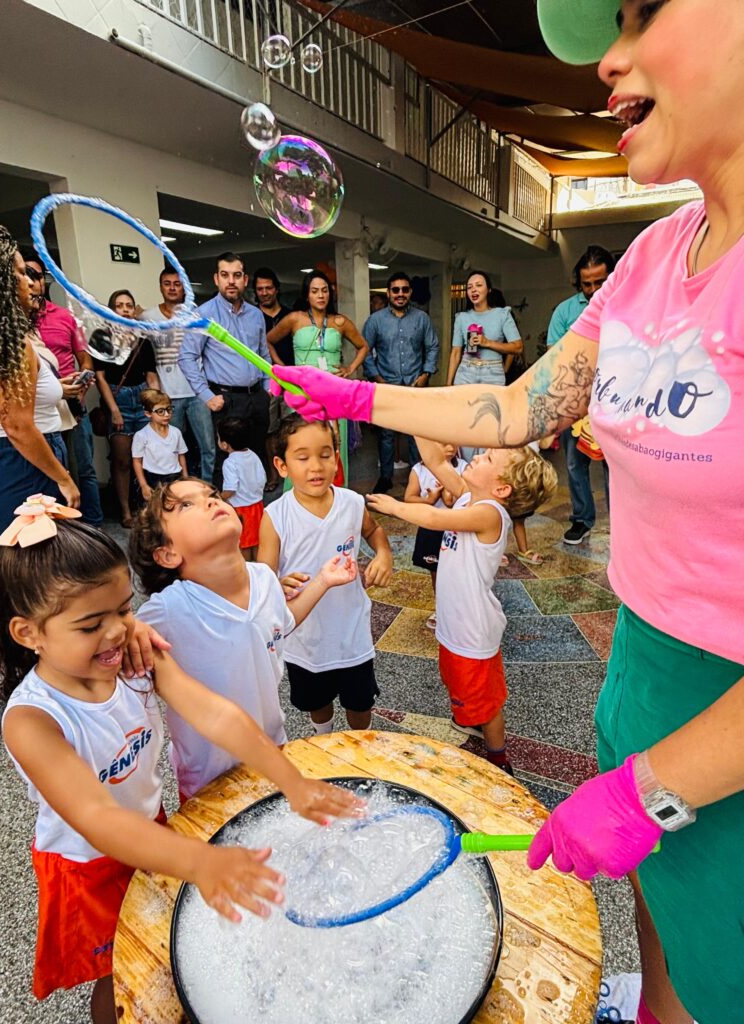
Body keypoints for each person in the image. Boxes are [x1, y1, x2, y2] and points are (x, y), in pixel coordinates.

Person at [269, 2, 744, 1019]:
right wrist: (357, 398)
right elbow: (526, 405)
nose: (609, 59)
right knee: (662, 923)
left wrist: (651, 788)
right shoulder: (657, 254)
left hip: (728, 713)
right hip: (643, 663)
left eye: (645, 12)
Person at [0, 505, 361, 1022]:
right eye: (91, 625)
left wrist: (292, 783)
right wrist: (202, 863)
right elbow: (97, 818)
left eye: (124, 610)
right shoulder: (33, 720)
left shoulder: (136, 658)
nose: (116, 632)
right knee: (118, 971)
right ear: (28, 634)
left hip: (150, 827)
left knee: (159, 942)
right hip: (85, 866)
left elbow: (216, 713)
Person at [129, 477, 359, 802]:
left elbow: (281, 623)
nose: (211, 500)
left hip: (273, 755)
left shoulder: (264, 577)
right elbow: (113, 646)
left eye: (211, 494)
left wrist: (322, 581)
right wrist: (127, 626)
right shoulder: (169, 609)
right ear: (167, 554)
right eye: (186, 505)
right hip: (209, 780)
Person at [370, 441, 557, 773]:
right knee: (457, 681)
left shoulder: (491, 514)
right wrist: (415, 416)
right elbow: (432, 459)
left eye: (488, 458)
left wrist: (394, 506)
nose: (477, 456)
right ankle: (469, 719)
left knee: (487, 701)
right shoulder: (469, 496)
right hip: (454, 621)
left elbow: (432, 516)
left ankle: (499, 758)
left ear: (502, 488)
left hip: (473, 629)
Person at [258, 417, 393, 735]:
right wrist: (276, 584)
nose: (315, 466)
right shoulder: (275, 516)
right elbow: (264, 577)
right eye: (302, 457)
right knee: (316, 700)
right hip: (305, 638)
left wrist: (384, 554)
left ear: (337, 458)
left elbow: (373, 530)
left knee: (360, 702)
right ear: (282, 466)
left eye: (324, 454)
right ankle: (324, 738)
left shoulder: (352, 503)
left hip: (351, 630)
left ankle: (362, 743)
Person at [0, 224, 79, 537]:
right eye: (22, 273)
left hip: (3, 456)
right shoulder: (9, 344)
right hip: (23, 463)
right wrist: (63, 478)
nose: (31, 282)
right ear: (3, 284)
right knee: (41, 561)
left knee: (28, 560)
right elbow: (17, 426)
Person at [23, 252, 104, 527]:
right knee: (51, 472)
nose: (31, 282)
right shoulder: (14, 324)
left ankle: (93, 526)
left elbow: (85, 358)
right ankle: (63, 531)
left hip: (71, 403)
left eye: (36, 276)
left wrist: (83, 381)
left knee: (84, 467)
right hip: (36, 409)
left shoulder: (66, 317)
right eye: (24, 275)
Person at [266, 271, 369, 487]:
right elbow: (269, 340)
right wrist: (283, 369)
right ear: (307, 294)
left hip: (333, 393)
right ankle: (298, 496)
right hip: (302, 393)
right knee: (302, 444)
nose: (320, 295)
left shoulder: (340, 322)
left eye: (324, 290)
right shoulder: (295, 319)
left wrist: (350, 368)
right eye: (315, 291)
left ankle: (336, 494)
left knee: (333, 444)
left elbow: (363, 346)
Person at [178, 253, 271, 483]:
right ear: (216, 279)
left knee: (257, 460)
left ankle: (257, 506)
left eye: (237, 275)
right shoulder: (203, 315)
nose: (231, 281)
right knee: (226, 465)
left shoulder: (256, 315)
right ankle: (225, 507)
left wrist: (268, 388)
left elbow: (263, 354)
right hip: (226, 401)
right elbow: (186, 357)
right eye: (225, 275)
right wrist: (206, 395)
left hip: (257, 398)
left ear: (245, 280)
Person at [547, 245, 615, 545]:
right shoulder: (565, 311)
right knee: (575, 463)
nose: (594, 289)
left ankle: (621, 523)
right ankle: (582, 519)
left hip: (615, 401)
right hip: (576, 402)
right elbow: (554, 356)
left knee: (615, 464)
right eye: (587, 284)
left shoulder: (625, 305)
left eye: (600, 282)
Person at [362, 271, 440, 493]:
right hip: (386, 385)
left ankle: (417, 477)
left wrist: (426, 374)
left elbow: (432, 346)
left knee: (416, 433)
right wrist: (377, 378)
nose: (400, 294)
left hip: (415, 385)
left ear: (410, 292)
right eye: (395, 290)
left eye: (405, 289)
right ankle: (385, 477)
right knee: (386, 434)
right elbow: (364, 350)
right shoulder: (376, 320)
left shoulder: (421, 318)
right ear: (388, 293)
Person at [141, 268, 216, 484]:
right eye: (167, 283)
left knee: (207, 446)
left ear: (184, 288)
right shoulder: (148, 317)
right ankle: (177, 489)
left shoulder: (196, 314)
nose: (172, 288)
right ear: (160, 287)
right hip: (167, 395)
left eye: (177, 284)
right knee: (171, 448)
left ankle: (207, 487)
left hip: (197, 392)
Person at [92, 290, 158, 527]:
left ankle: (148, 508)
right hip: (117, 398)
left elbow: (151, 376)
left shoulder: (142, 338)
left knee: (147, 457)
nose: (125, 310)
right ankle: (125, 511)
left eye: (129, 305)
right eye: (120, 305)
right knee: (122, 460)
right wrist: (114, 411)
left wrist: (157, 405)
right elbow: (100, 378)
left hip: (141, 397)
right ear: (111, 310)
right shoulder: (101, 337)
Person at [403, 443, 466, 630]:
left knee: (458, 570)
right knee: (435, 571)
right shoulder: (419, 470)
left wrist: (449, 496)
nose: (451, 447)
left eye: (454, 442)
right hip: (430, 528)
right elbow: (409, 497)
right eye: (444, 442)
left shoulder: (463, 468)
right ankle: (441, 608)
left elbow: (464, 499)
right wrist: (429, 500)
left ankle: (459, 607)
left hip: (455, 528)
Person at [446, 272, 523, 389]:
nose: (473, 290)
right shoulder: (461, 317)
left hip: (493, 374)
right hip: (465, 372)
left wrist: (488, 343)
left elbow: (518, 347)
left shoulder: (502, 315)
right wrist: (448, 384)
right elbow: (456, 352)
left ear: (489, 290)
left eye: (478, 285)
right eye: (469, 287)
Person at [254, 266, 293, 492]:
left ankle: (291, 471)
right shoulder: (252, 316)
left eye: (268, 288)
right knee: (269, 431)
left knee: (290, 427)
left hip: (290, 382)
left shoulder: (290, 315)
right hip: (265, 382)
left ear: (276, 289)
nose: (265, 292)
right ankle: (273, 475)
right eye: (260, 289)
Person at [217, 417, 267, 560]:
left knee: (244, 544)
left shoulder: (230, 462)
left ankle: (247, 570)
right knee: (258, 542)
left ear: (225, 444)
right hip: (258, 506)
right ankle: (260, 567)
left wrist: (219, 497)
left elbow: (231, 488)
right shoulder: (253, 455)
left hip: (241, 510)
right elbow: (263, 478)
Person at [131, 389, 188, 499]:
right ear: (148, 413)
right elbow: (137, 461)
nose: (167, 414)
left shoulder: (176, 432)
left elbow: (181, 455)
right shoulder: (141, 435)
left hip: (175, 477)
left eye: (169, 409)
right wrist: (143, 485)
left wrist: (185, 477)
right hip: (153, 479)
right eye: (160, 411)